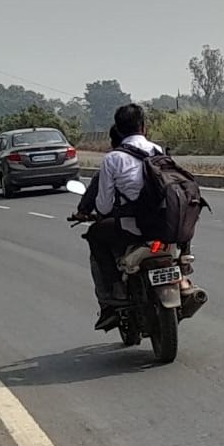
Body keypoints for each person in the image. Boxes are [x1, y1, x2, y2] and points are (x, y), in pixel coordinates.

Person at [82, 104, 164, 331]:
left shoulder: (113, 159)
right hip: (162, 227)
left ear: (117, 129)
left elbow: (105, 205)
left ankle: (115, 289)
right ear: (144, 127)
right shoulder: (158, 151)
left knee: (94, 235)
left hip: (132, 228)